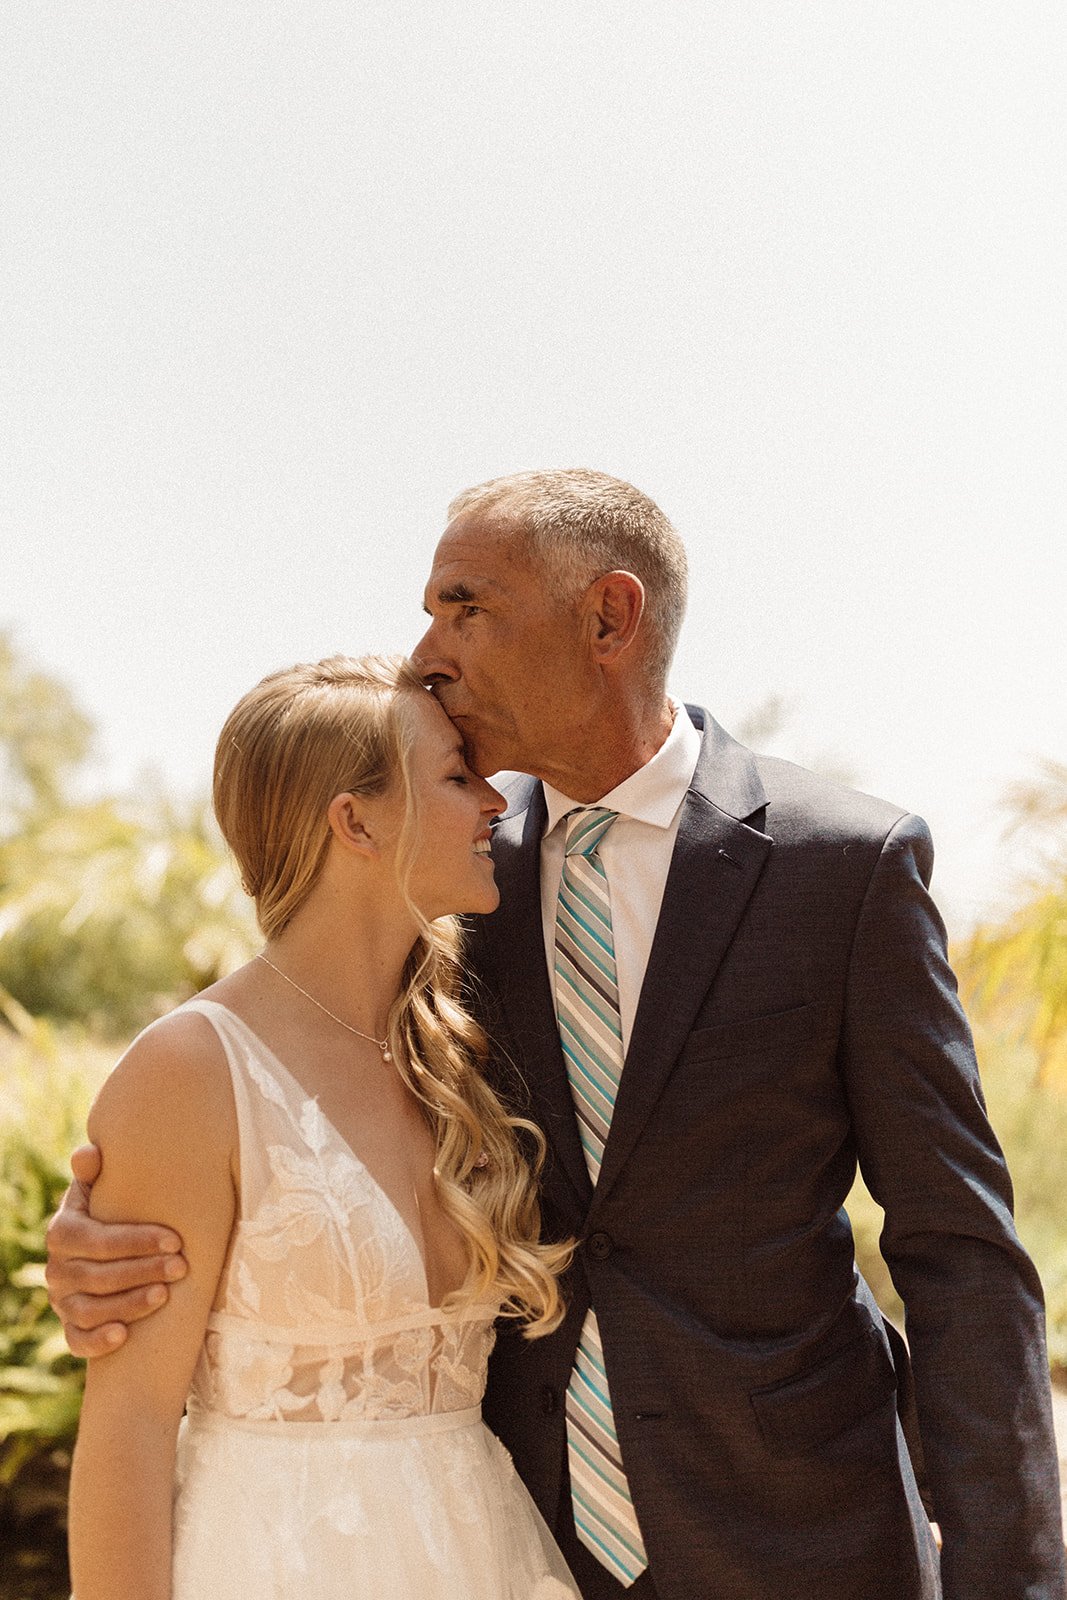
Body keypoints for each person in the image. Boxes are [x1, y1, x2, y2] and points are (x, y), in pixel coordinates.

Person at [49, 472, 1065, 1600]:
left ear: (607, 619)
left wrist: (1008, 1581)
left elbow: (960, 1253)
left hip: (801, 1539)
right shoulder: (445, 889)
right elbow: (279, 1112)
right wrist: (110, 1239)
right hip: (514, 1539)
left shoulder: (843, 869)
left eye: (462, 606)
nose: (426, 650)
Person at [65, 653, 579, 1600]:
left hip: (481, 1555)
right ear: (356, 821)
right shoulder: (190, 1070)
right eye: (458, 777)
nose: (497, 804)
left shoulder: (454, 1051)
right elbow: (128, 1431)